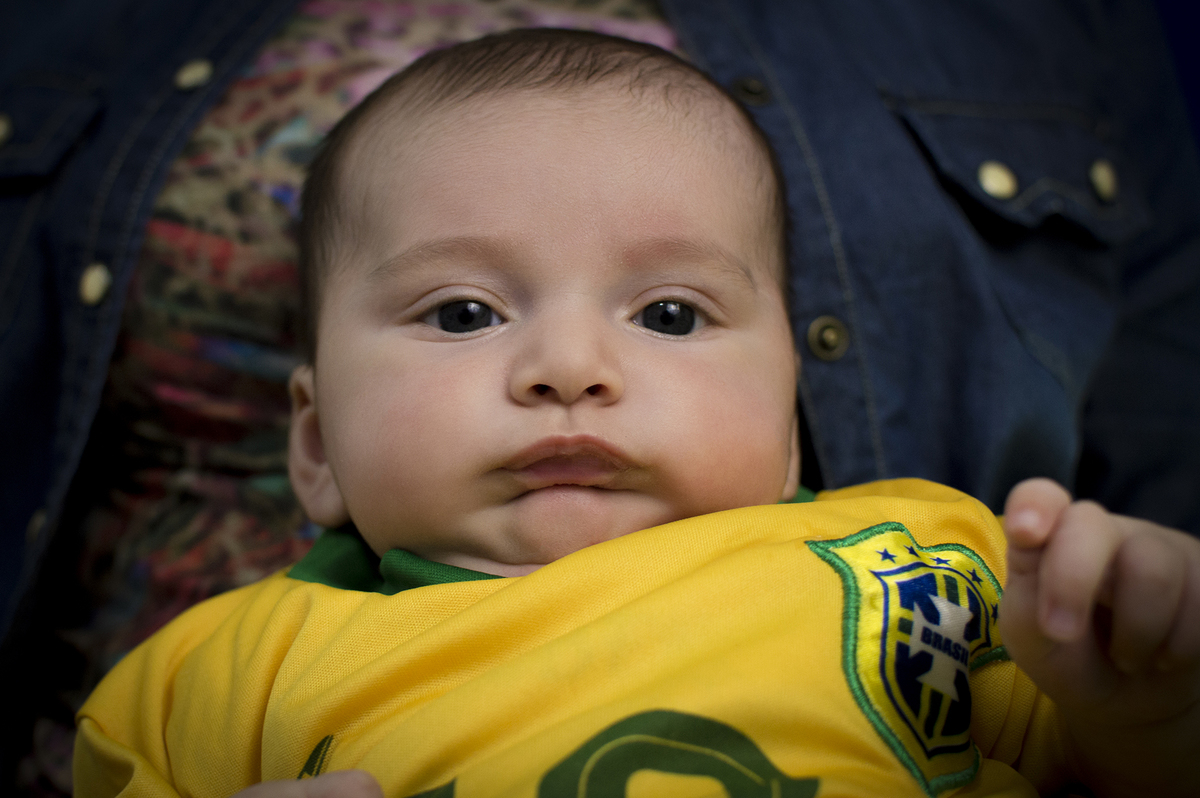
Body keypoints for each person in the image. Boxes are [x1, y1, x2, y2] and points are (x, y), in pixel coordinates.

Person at [73, 31, 1200, 798]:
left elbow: (1102, 771)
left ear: (789, 419)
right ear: (317, 445)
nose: (569, 368)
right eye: (463, 313)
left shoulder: (919, 564)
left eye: (668, 313)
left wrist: (1142, 708)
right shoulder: (210, 682)